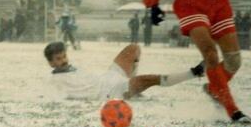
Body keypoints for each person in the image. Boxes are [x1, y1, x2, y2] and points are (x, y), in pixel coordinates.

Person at [43, 42, 204, 101]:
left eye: (64, 56)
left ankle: (132, 89)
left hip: (109, 77)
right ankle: (194, 72)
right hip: (109, 92)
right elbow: (53, 97)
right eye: (58, 59)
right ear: (51, 63)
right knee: (148, 79)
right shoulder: (54, 80)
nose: (63, 60)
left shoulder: (70, 67)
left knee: (133, 49)